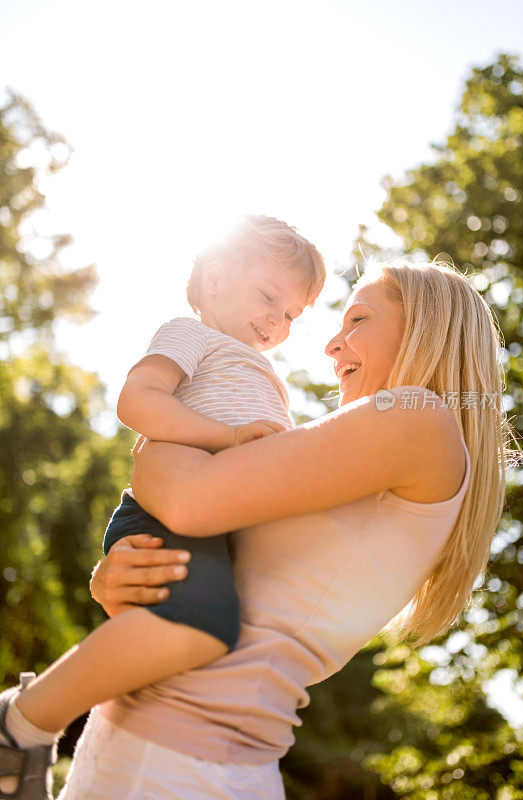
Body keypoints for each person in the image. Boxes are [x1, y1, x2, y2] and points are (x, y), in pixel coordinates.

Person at [0, 215, 326, 800]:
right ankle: (21, 723)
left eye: (291, 316)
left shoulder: (265, 375)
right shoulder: (191, 334)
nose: (276, 322)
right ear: (218, 278)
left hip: (213, 523)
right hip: (163, 513)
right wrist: (225, 440)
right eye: (269, 298)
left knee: (201, 642)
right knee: (198, 626)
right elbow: (137, 400)